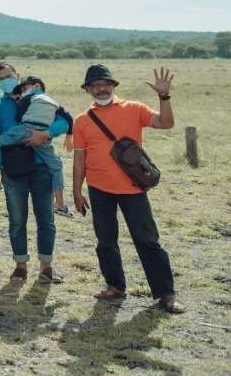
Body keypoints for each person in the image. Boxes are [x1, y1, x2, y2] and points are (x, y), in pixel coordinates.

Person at [72, 65, 184, 314]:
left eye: (105, 84)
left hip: (133, 189)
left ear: (113, 85)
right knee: (105, 241)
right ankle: (115, 286)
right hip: (99, 189)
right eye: (95, 85)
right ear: (87, 90)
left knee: (147, 241)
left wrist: (164, 97)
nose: (101, 89)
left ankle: (166, 294)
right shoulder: (82, 121)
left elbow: (166, 123)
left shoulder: (134, 109)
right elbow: (79, 159)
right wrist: (77, 191)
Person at [0, 62, 69, 284]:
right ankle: (20, 266)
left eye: (9, 76)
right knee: (17, 220)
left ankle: (46, 267)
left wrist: (46, 134)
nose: (6, 80)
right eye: (1, 78)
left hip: (41, 167)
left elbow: (63, 121)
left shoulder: (38, 97)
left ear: (17, 76)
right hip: (13, 168)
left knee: (45, 219)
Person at [0, 75, 74, 218]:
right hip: (42, 136)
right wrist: (69, 134)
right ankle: (60, 203)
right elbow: (68, 118)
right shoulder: (54, 103)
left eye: (24, 88)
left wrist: (21, 104)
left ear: (36, 86)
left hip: (26, 129)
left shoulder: (29, 98)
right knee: (56, 166)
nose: (22, 92)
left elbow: (19, 115)